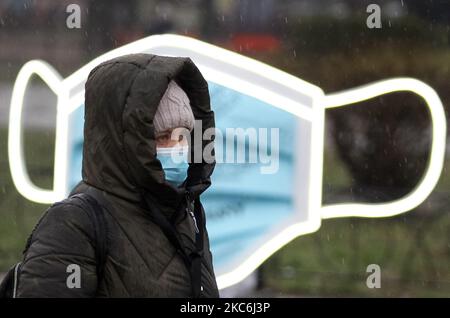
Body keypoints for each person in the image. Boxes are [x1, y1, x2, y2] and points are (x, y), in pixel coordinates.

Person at [16, 54, 219, 297]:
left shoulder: (186, 216)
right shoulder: (74, 225)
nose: (177, 149)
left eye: (182, 136)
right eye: (163, 136)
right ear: (126, 141)